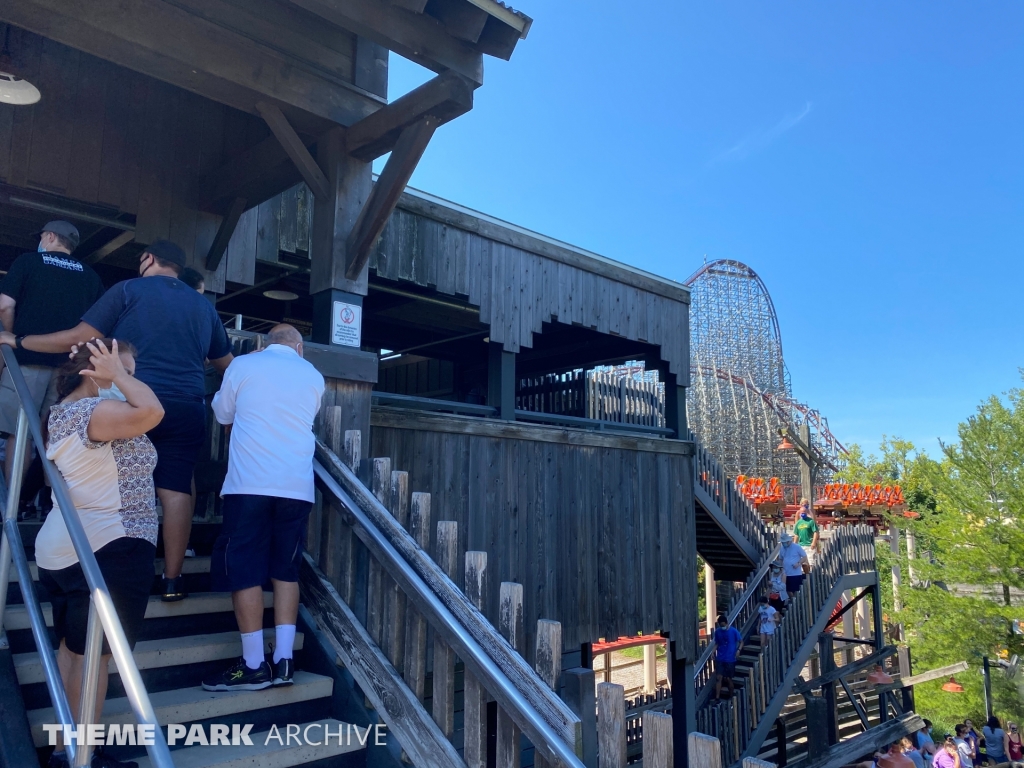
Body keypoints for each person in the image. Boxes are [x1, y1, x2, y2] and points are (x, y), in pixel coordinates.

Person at [0, 240, 234, 601]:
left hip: (134, 401)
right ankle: (172, 579)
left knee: (115, 475)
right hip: (188, 404)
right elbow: (227, 365)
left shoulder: (129, 289)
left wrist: (20, 340)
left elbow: (81, 337)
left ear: (149, 259)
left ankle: (96, 559)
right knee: (176, 489)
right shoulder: (204, 308)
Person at [35, 339, 164, 768]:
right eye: (117, 370)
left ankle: (67, 751)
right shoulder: (92, 412)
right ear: (94, 371)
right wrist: (121, 378)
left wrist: (120, 376)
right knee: (96, 658)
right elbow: (152, 413)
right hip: (112, 545)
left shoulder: (62, 415)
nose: (127, 380)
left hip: (71, 547)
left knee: (74, 651)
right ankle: (81, 758)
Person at [202, 324, 324, 691]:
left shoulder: (243, 365)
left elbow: (223, 414)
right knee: (286, 570)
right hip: (297, 487)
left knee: (245, 570)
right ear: (299, 348)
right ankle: (284, 660)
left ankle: (254, 664)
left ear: (266, 345)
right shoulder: (314, 376)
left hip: (249, 484)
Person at [0, 221, 105, 485]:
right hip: (68, 370)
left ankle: (13, 505)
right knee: (55, 436)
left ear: (48, 237)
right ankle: (52, 507)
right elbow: (97, 327)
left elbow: (5, 306)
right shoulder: (91, 277)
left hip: (26, 363)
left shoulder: (28, 262)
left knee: (20, 433)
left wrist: (13, 340)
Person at [712, 613, 743, 701]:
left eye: (723, 625)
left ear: (726, 623)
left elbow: (741, 641)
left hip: (730, 658)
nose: (722, 627)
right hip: (720, 657)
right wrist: (713, 651)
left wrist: (738, 650)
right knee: (719, 677)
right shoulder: (718, 632)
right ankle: (717, 697)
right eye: (721, 625)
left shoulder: (733, 631)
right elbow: (717, 643)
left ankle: (731, 695)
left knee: (728, 678)